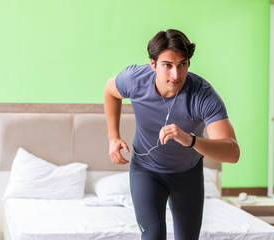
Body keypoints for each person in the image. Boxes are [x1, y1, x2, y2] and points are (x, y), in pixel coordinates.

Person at [103, 29, 240, 240]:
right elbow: (110, 91)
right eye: (167, 65)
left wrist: (191, 140)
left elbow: (232, 152)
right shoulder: (135, 80)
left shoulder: (203, 96)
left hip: (188, 175)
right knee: (153, 236)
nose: (176, 75)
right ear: (153, 64)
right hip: (146, 172)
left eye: (182, 64)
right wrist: (113, 136)